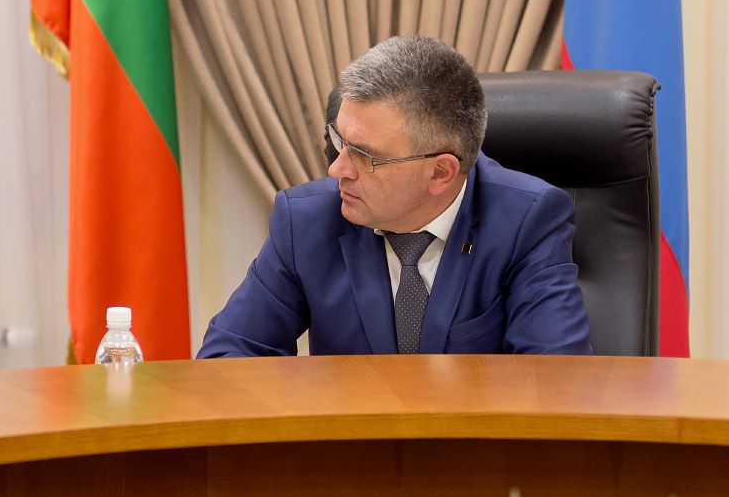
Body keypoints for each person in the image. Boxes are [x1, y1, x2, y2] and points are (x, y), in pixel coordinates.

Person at [198, 35, 591, 358]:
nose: (337, 169)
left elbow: (554, 380)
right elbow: (228, 357)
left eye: (364, 155)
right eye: (339, 141)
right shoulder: (306, 221)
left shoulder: (526, 222)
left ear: (440, 172)